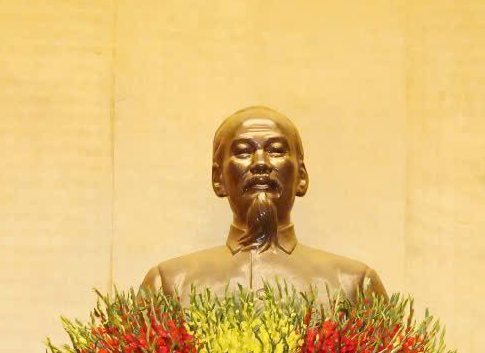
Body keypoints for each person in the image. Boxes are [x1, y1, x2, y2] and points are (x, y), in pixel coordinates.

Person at [138, 107, 390, 299]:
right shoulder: (168, 284)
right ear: (218, 178)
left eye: (276, 150)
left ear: (302, 176)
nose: (260, 163)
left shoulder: (353, 284)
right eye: (243, 151)